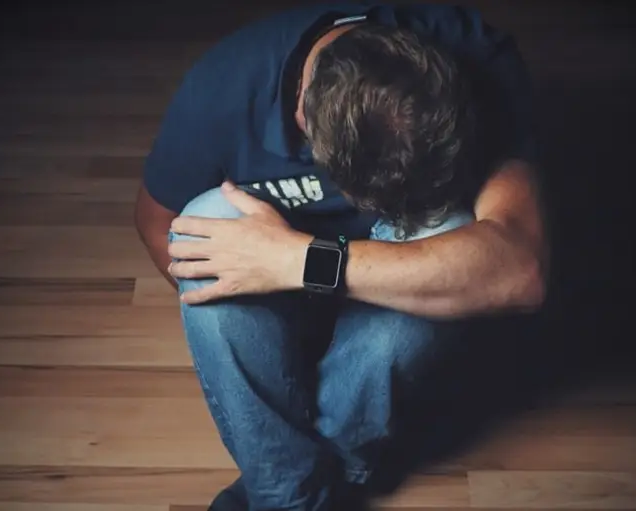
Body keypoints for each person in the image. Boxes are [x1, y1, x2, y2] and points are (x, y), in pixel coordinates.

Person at [134, 2, 548, 510]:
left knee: (458, 231)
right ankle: (292, 490)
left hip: (346, 283)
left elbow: (519, 269)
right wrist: (268, 324)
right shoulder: (221, 90)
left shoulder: (481, 60)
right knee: (204, 224)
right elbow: (157, 223)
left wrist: (305, 263)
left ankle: (320, 474)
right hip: (279, 283)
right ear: (303, 115)